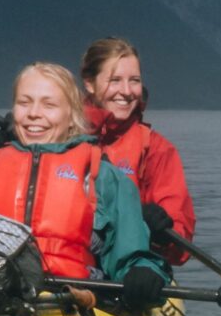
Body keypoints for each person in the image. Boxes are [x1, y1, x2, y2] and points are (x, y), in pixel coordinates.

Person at [0, 62, 168, 316]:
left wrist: (144, 273)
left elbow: (133, 255)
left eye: (49, 105)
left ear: (71, 117)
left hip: (75, 300)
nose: (34, 113)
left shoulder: (105, 179)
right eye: (24, 103)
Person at [80, 37, 199, 269]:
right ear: (90, 83)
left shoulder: (156, 149)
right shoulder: (58, 135)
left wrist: (163, 233)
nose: (126, 92)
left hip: (128, 275)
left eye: (134, 81)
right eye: (114, 80)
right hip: (66, 268)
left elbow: (181, 243)